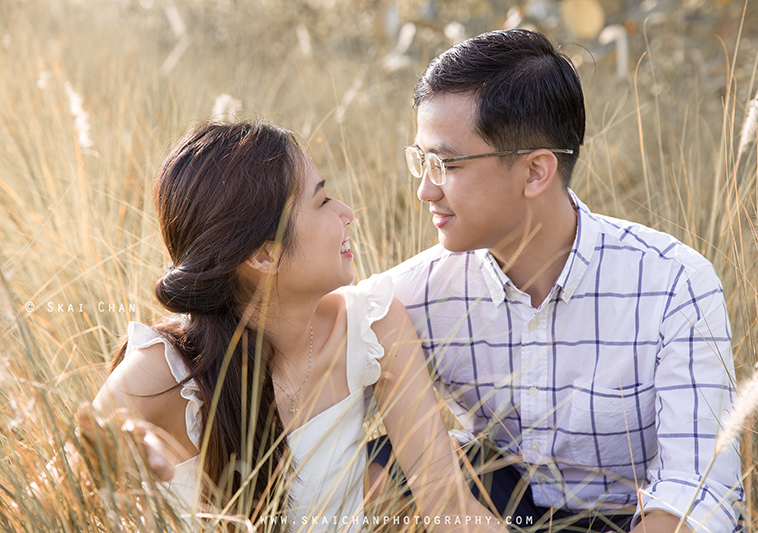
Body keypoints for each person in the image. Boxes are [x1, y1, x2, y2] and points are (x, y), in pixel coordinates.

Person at [371, 29, 743, 533]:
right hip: (497, 512)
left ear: (535, 172)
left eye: (446, 164)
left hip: (627, 518)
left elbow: (697, 488)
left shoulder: (673, 283)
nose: (424, 189)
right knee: (369, 464)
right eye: (421, 161)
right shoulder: (412, 295)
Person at [85, 121, 506, 532]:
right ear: (264, 256)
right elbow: (56, 491)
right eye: (322, 202)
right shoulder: (165, 370)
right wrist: (114, 470)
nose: (348, 212)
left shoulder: (372, 326)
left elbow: (446, 502)